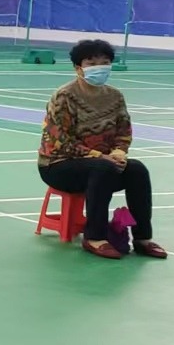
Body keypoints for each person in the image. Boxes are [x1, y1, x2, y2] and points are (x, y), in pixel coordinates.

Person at [38, 39, 165, 260]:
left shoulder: (115, 96)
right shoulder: (64, 96)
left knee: (137, 170)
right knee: (102, 168)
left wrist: (119, 153)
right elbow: (61, 141)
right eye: (91, 63)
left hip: (102, 164)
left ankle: (142, 238)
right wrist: (100, 156)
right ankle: (95, 237)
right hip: (58, 165)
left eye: (104, 62)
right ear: (78, 68)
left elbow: (123, 131)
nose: (99, 67)